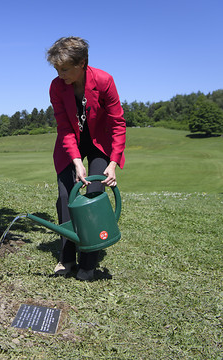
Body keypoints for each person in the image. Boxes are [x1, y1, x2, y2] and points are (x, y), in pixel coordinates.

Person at [46, 37, 126, 280]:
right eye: (57, 69)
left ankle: (88, 264)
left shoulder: (104, 80)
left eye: (65, 69)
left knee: (94, 194)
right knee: (65, 197)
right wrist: (77, 161)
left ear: (82, 63)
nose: (60, 75)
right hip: (70, 143)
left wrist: (112, 163)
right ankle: (67, 258)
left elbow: (117, 123)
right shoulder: (56, 87)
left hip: (100, 142)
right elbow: (64, 128)